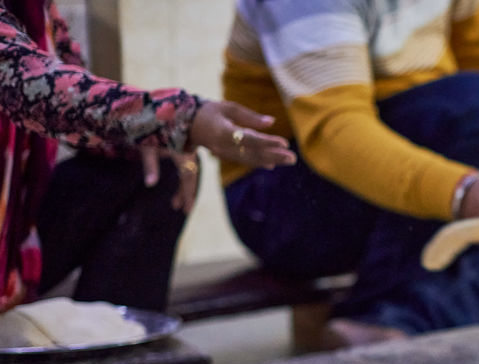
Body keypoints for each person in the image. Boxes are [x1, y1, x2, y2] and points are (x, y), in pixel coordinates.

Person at [221, 0, 479, 346]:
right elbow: (336, 137)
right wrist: (464, 192)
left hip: (401, 175)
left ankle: (398, 323)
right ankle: (387, 314)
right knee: (473, 108)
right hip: (283, 201)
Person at [0, 0, 296, 317]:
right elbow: (34, 88)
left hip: (15, 236)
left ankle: (116, 351)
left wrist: (147, 134)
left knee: (158, 168)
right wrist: (179, 118)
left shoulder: (37, 10)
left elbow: (80, 109)